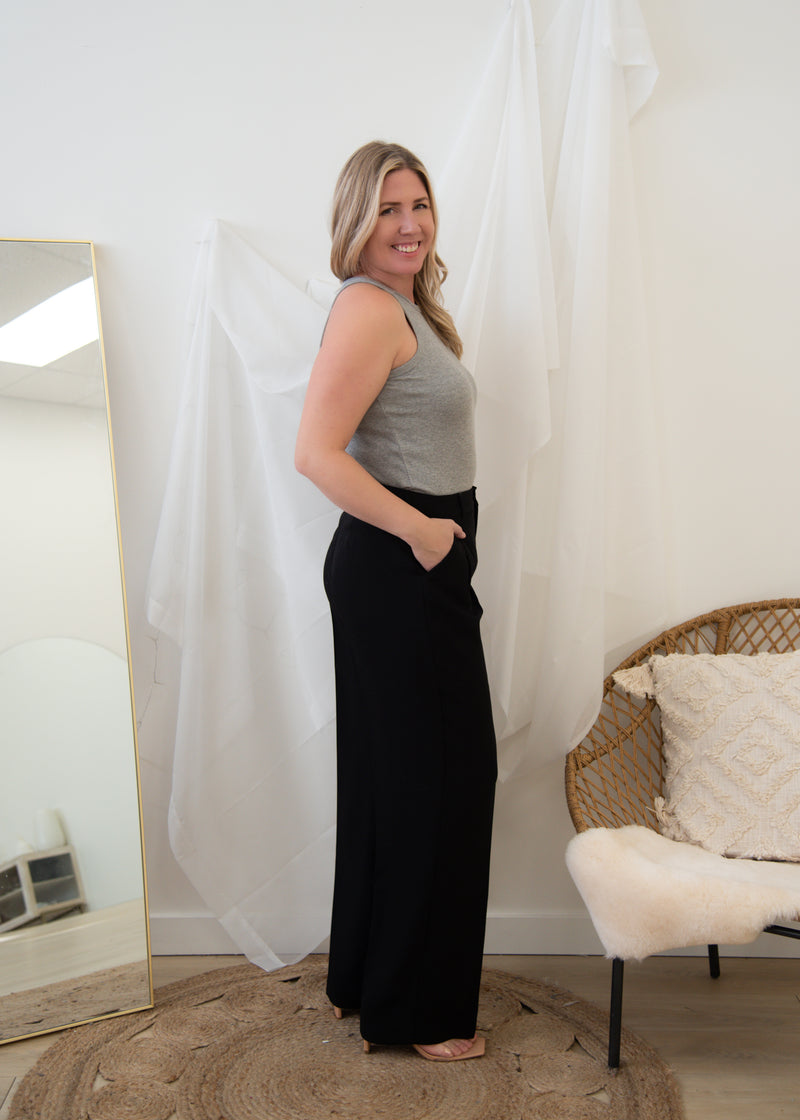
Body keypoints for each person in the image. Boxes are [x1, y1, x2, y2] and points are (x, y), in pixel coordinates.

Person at [295, 140, 497, 1062]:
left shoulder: (401, 306)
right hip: (402, 561)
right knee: (443, 781)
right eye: (387, 209)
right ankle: (418, 1011)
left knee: (397, 777)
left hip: (407, 563)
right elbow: (316, 453)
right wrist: (422, 534)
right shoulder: (371, 309)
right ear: (356, 220)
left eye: (419, 205)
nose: (409, 224)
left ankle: (369, 979)